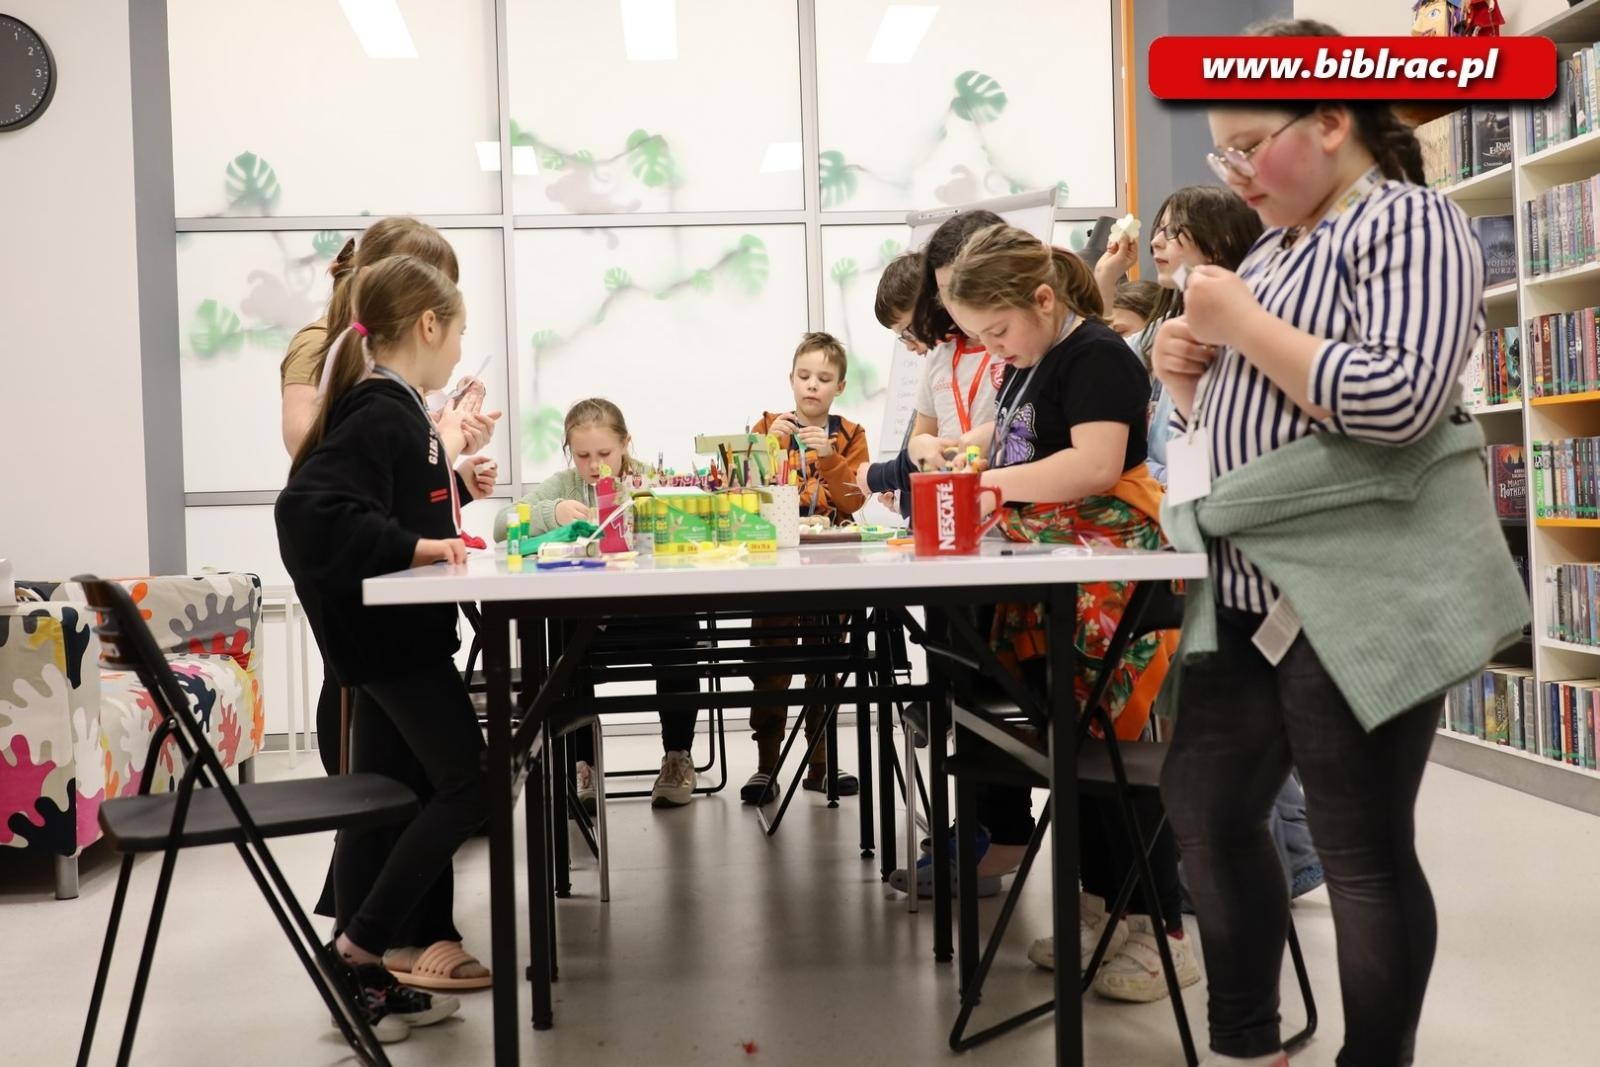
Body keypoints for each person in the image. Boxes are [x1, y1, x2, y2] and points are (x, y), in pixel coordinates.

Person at [1154, 18, 1523, 1066]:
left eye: (1246, 145)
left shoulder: (1410, 221)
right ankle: (1247, 1042)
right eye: (1218, 152)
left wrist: (1239, 329)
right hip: (1246, 583)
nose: (1233, 173)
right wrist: (1192, 384)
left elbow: (1399, 398)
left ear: (1329, 117)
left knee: (1359, 847)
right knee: (1206, 807)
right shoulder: (1271, 248)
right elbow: (1236, 437)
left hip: (1357, 582)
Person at [901, 222, 1199, 1000]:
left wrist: (995, 488)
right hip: (1062, 572)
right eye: (979, 339)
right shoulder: (1028, 362)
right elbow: (1014, 434)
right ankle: (1102, 912)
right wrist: (963, 451)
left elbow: (1095, 463)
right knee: (1075, 746)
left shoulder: (1096, 354)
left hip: (1114, 575)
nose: (993, 350)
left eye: (997, 332)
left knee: (1108, 739)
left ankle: (1161, 926)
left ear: (1042, 299)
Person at [276, 255, 494, 1042]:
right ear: (429, 326)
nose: (463, 351)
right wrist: (416, 548)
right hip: (393, 645)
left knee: (384, 802)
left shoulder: (399, 409)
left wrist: (450, 499)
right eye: (460, 331)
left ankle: (362, 970)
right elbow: (308, 509)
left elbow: (398, 500)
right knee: (470, 788)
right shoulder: (380, 408)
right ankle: (356, 950)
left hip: (389, 642)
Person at [279, 217, 498, 779]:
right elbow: (318, 461)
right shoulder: (340, 356)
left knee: (394, 798)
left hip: (385, 580)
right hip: (366, 587)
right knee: (441, 784)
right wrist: (440, 440)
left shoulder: (387, 388)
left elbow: (390, 476)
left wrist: (449, 466)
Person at [494, 398, 703, 809]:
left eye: (604, 454)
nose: (593, 465)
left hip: (651, 614)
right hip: (592, 621)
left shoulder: (648, 481)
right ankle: (582, 764)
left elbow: (688, 527)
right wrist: (553, 512)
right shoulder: (566, 486)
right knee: (566, 648)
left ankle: (677, 756)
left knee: (681, 632)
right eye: (583, 455)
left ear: (626, 444)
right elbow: (502, 524)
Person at [742, 332, 871, 804]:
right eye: (804, 376)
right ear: (790, 379)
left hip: (831, 561)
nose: (812, 386)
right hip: (773, 560)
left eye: (824, 378)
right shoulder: (765, 425)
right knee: (770, 655)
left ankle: (821, 763)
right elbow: (740, 491)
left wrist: (830, 457)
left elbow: (855, 499)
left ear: (839, 386)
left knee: (826, 660)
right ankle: (766, 764)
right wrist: (765, 448)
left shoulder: (851, 434)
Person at [857, 251, 930, 518]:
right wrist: (904, 503)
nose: (909, 346)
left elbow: (926, 457)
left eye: (908, 332)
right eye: (902, 338)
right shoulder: (936, 366)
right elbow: (917, 459)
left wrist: (875, 476)